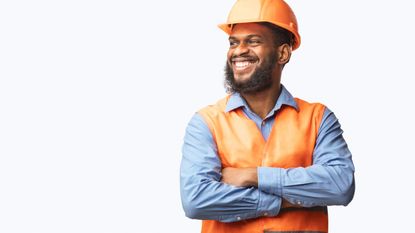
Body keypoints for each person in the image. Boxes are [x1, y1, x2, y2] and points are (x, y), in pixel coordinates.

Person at [180, 0, 355, 232]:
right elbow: (196, 200)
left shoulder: (319, 118)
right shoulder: (206, 122)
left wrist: (253, 176)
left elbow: (340, 185)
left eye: (253, 41)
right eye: (233, 42)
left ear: (283, 53)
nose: (239, 50)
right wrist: (283, 201)